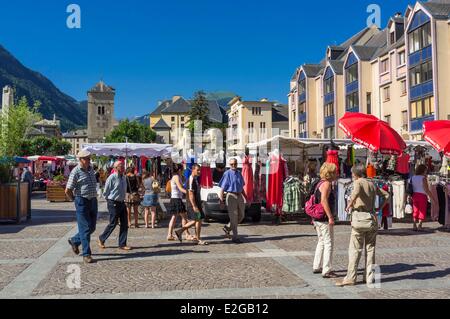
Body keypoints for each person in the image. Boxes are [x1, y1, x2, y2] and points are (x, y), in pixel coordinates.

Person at [336, 164, 390, 287]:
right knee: (370, 249)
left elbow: (355, 193)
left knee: (355, 249)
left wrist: (349, 205)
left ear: (355, 174)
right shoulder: (372, 184)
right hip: (371, 218)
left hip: (359, 219)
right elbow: (387, 195)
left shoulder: (357, 182)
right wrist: (379, 208)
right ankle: (369, 278)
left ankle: (351, 277)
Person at [65, 150, 98, 264]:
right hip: (82, 201)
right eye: (87, 159)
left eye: (89, 158)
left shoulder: (91, 169)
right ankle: (86, 254)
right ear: (81, 159)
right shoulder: (75, 172)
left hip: (93, 200)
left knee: (92, 227)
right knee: (84, 229)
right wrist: (74, 200)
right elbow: (68, 190)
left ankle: (74, 240)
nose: (89, 160)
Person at [98, 161, 131, 251]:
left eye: (123, 166)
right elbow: (106, 192)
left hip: (122, 202)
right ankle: (102, 238)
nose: (123, 167)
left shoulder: (124, 177)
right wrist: (110, 201)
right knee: (113, 223)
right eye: (121, 166)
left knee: (125, 224)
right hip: (113, 203)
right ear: (115, 168)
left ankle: (122, 244)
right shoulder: (111, 177)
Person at [312, 163, 338, 279]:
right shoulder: (327, 184)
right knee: (328, 243)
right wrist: (330, 217)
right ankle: (327, 270)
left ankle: (317, 266)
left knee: (321, 241)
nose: (336, 174)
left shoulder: (319, 183)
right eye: (335, 172)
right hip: (323, 218)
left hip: (317, 218)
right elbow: (323, 201)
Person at [175, 164, 208, 245]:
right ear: (193, 170)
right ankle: (181, 231)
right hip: (192, 204)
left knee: (198, 220)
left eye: (200, 170)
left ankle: (196, 238)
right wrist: (194, 206)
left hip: (197, 203)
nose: (199, 172)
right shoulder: (191, 179)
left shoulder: (195, 178)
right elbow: (190, 194)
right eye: (198, 170)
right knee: (196, 220)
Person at [219, 158, 247, 244]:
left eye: (235, 164)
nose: (233, 166)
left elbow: (242, 187)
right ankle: (235, 237)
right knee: (234, 217)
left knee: (241, 215)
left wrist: (246, 197)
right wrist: (221, 201)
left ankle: (227, 227)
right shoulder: (227, 174)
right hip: (231, 196)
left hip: (239, 196)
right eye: (231, 164)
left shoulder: (239, 173)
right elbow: (222, 189)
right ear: (229, 165)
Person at [167, 164, 194, 241]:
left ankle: (170, 235)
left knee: (174, 217)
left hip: (175, 198)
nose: (183, 171)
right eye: (183, 169)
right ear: (179, 170)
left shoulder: (176, 177)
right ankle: (187, 234)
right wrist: (189, 193)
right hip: (177, 199)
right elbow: (180, 188)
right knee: (184, 217)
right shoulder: (176, 177)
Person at [410, 164, 435, 232]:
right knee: (422, 210)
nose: (426, 171)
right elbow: (426, 189)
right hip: (422, 196)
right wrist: (432, 198)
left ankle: (414, 225)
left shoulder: (413, 177)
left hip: (414, 195)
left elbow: (410, 187)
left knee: (415, 210)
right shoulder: (423, 178)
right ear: (423, 170)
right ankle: (419, 225)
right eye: (425, 170)